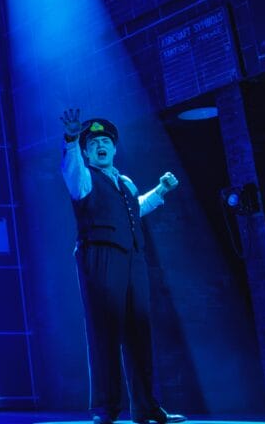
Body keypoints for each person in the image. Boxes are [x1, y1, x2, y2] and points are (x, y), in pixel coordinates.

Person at [59, 109, 184, 424]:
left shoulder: (125, 181)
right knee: (105, 331)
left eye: (105, 141)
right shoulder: (84, 177)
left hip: (133, 260)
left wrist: (161, 191)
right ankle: (106, 408)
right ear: (87, 151)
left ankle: (146, 407)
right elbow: (71, 170)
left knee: (139, 331)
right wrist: (72, 140)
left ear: (114, 147)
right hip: (100, 257)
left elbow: (134, 209)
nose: (100, 145)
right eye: (94, 142)